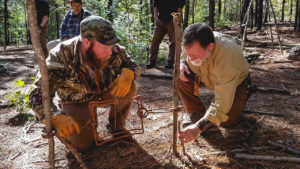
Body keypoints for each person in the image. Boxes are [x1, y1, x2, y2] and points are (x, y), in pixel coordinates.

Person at [29, 16, 141, 151]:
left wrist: (129, 73)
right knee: (82, 146)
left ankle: (116, 126)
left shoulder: (112, 48)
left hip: (105, 92)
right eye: (105, 47)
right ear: (87, 42)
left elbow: (133, 65)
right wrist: (54, 117)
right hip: (77, 100)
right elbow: (37, 95)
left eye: (111, 45)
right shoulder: (61, 55)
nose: (110, 51)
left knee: (130, 86)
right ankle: (84, 127)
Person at [178, 23, 254, 143]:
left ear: (210, 46)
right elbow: (183, 53)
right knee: (181, 75)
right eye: (189, 55)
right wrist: (182, 63)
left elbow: (221, 104)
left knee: (227, 122)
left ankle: (244, 93)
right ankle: (197, 113)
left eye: (194, 55)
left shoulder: (228, 58)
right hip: (205, 75)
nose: (190, 59)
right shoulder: (191, 43)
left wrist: (197, 128)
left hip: (235, 82)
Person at [146, 0, 186, 69]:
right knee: (155, 41)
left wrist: (176, 20)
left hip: (172, 21)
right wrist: (156, 19)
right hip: (160, 21)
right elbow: (155, 6)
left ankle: (170, 62)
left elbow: (180, 8)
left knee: (173, 42)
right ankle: (152, 61)